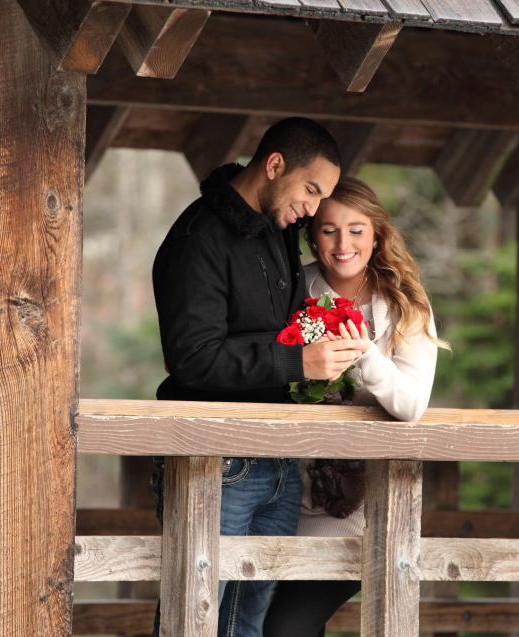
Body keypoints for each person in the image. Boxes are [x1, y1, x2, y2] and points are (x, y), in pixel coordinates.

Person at [149, 118, 365, 637]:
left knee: (248, 623)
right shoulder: (197, 238)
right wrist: (300, 364)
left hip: (278, 460)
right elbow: (192, 359)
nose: (314, 210)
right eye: (311, 190)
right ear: (273, 166)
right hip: (214, 459)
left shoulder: (278, 230)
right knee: (193, 618)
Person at [262, 176, 449, 637]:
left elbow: (409, 404)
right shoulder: (292, 289)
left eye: (356, 229)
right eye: (328, 230)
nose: (342, 243)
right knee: (264, 621)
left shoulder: (406, 305)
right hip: (281, 492)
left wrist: (362, 352)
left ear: (377, 233)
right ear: (311, 235)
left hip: (355, 504)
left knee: (287, 626)